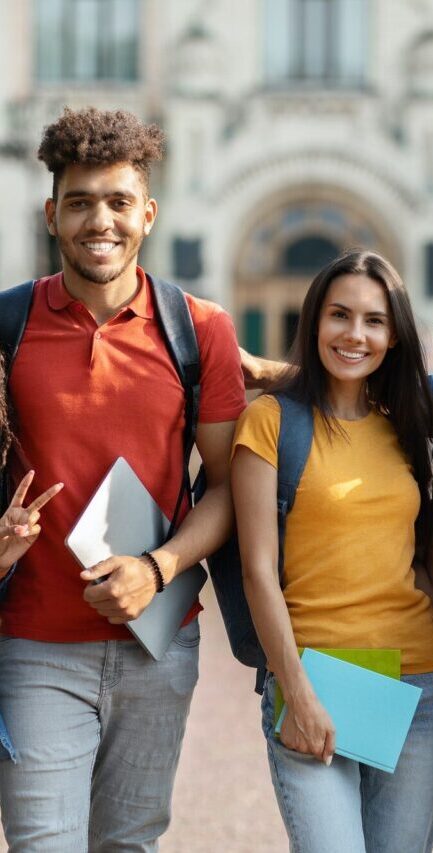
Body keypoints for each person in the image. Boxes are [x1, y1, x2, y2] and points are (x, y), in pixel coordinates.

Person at [0, 107, 246, 851]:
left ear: (147, 212)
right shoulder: (7, 327)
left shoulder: (199, 329)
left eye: (116, 201)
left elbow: (227, 488)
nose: (97, 220)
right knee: (45, 841)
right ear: (51, 214)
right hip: (32, 642)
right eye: (78, 202)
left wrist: (157, 565)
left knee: (128, 843)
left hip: (158, 639)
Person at [231, 249, 433, 853]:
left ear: (393, 335)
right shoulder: (270, 422)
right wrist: (295, 690)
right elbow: (257, 570)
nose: (354, 334)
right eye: (339, 315)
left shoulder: (410, 424)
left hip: (417, 684)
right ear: (314, 319)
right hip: (315, 679)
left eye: (374, 321)